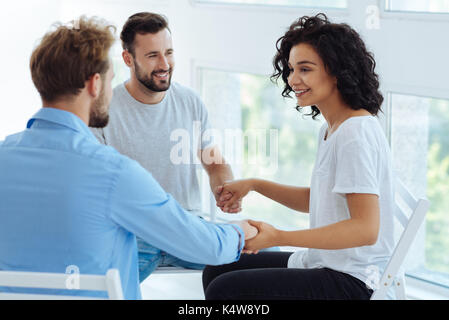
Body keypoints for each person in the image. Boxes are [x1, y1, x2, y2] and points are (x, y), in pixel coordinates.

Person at [0, 16, 257, 300]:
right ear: (95, 85)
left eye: (169, 52)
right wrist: (239, 232)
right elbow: (207, 245)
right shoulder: (112, 171)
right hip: (171, 236)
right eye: (110, 80)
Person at [203, 13, 395, 300]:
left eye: (305, 69)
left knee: (225, 289)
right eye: (291, 69)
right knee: (217, 269)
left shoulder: (356, 134)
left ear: (337, 71)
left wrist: (279, 237)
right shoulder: (333, 128)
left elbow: (365, 229)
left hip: (354, 282)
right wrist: (255, 184)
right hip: (325, 263)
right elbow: (320, 199)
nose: (293, 79)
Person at [90, 12, 244, 282]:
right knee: (90, 283)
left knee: (265, 252)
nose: (165, 64)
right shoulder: (103, 109)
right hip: (132, 233)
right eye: (152, 56)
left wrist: (225, 189)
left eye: (169, 52)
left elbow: (214, 162)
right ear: (128, 59)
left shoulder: (189, 101)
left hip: (186, 228)